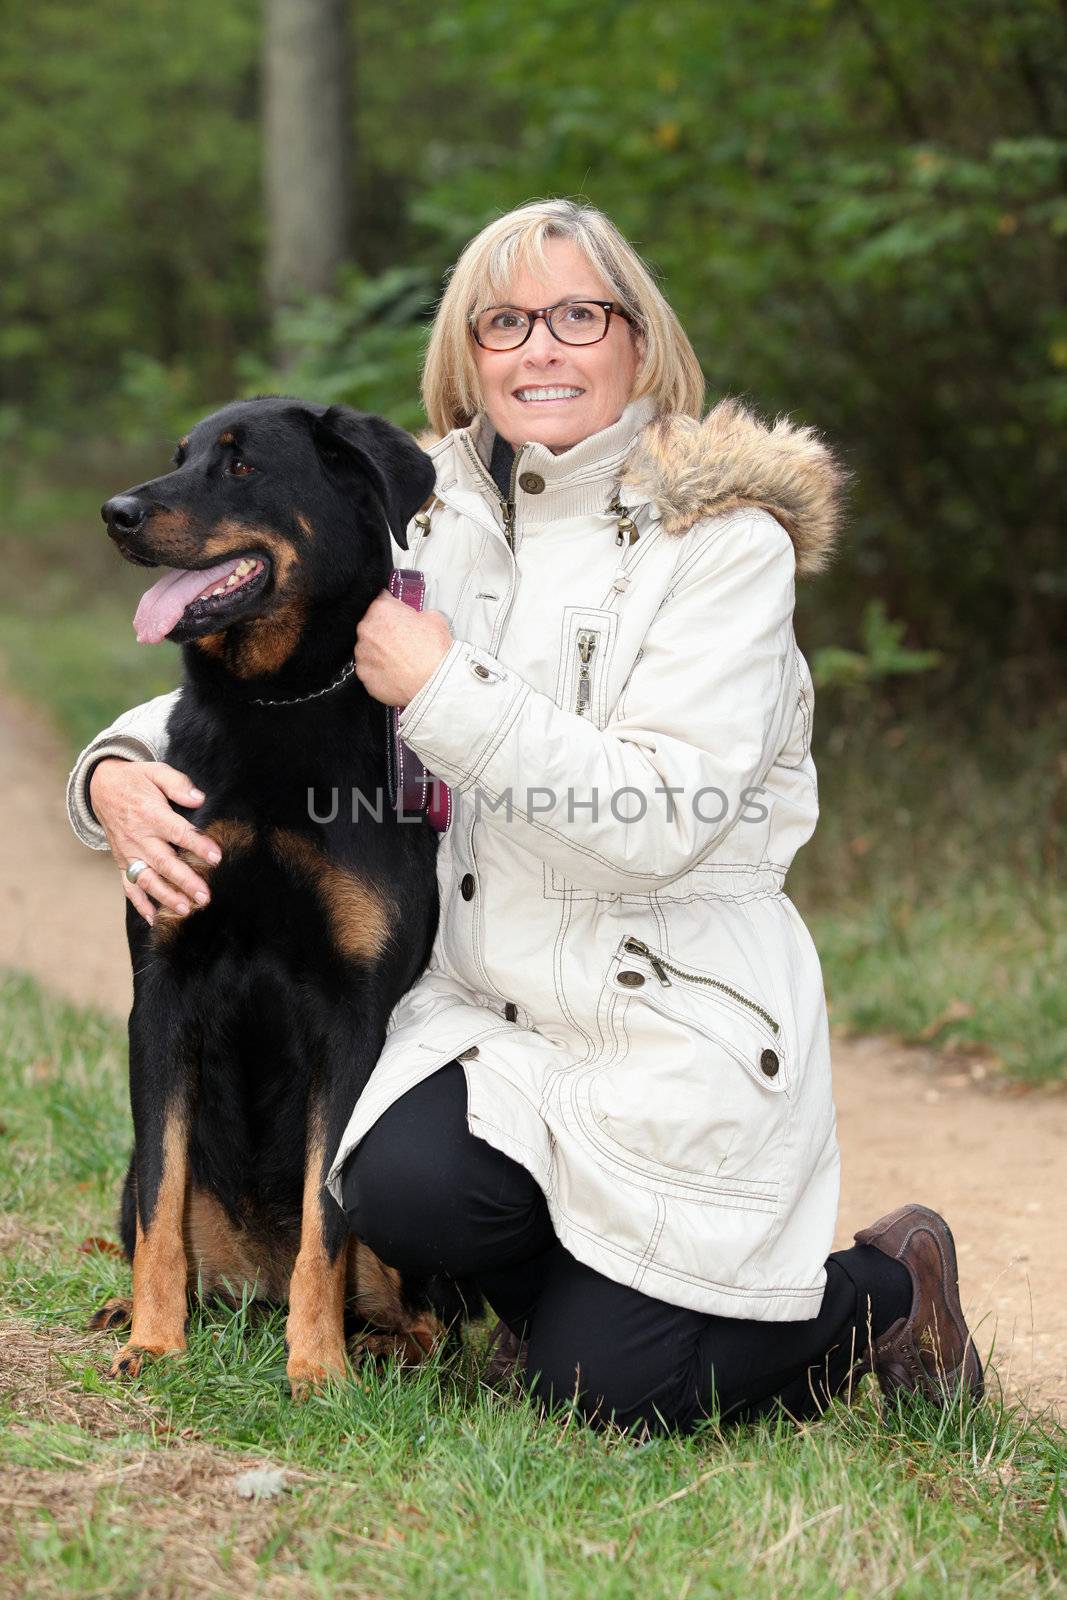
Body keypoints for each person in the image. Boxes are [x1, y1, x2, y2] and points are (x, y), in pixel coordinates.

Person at [67, 198, 983, 1433]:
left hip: (665, 1010)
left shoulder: (722, 547)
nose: (539, 346)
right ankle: (575, 1310)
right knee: (394, 1187)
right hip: (491, 1019)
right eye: (504, 321)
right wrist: (114, 771)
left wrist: (443, 690)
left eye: (575, 315)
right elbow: (270, 686)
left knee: (604, 1394)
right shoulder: (423, 508)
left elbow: (665, 812)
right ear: (468, 354)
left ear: (638, 345)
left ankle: (880, 1292)